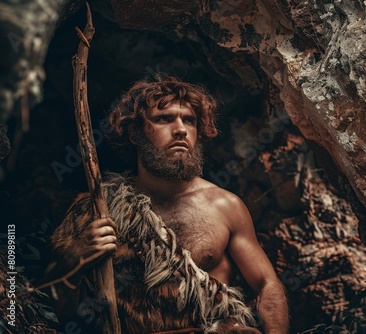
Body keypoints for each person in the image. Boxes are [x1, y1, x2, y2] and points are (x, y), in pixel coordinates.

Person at [43, 74, 289, 333]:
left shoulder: (225, 206)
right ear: (135, 133)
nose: (181, 129)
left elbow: (266, 285)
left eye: (190, 121)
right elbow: (50, 309)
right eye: (164, 119)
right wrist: (72, 260)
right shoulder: (99, 208)